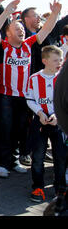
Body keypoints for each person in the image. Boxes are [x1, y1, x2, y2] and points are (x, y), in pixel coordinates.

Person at [0, 0, 62, 178]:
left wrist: (54, 14)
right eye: (17, 29)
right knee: (5, 129)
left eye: (22, 29)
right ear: (8, 34)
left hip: (25, 96)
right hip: (5, 95)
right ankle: (2, 163)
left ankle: (13, 160)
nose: (21, 31)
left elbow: (46, 29)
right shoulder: (2, 47)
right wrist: (6, 12)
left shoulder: (29, 45)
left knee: (20, 129)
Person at [26, 45, 67, 202]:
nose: (59, 63)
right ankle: (38, 187)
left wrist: (58, 114)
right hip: (40, 121)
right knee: (37, 156)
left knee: (60, 157)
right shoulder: (34, 78)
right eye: (56, 60)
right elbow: (29, 99)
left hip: (60, 122)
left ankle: (60, 189)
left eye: (61, 59)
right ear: (45, 61)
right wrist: (40, 113)